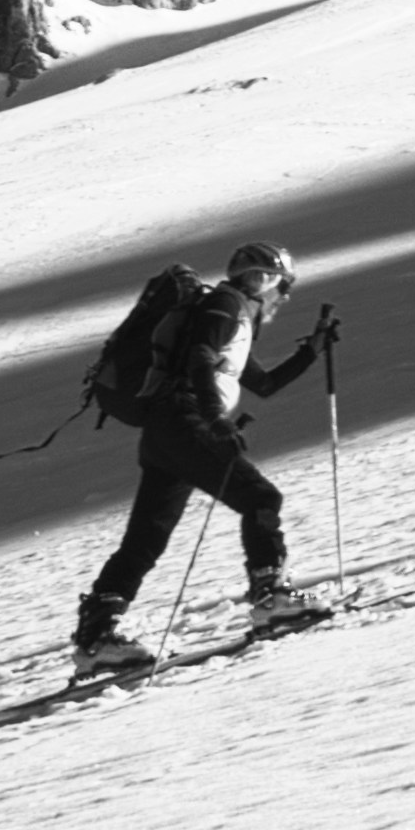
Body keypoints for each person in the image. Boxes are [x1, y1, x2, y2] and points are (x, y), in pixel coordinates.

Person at [74, 240, 337, 673]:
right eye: (283, 286)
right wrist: (214, 420)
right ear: (264, 278)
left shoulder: (230, 313)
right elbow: (199, 357)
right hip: (186, 421)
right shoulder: (227, 305)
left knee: (145, 541)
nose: (284, 297)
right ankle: (273, 598)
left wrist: (312, 348)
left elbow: (264, 384)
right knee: (261, 499)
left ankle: (97, 638)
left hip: (165, 431)